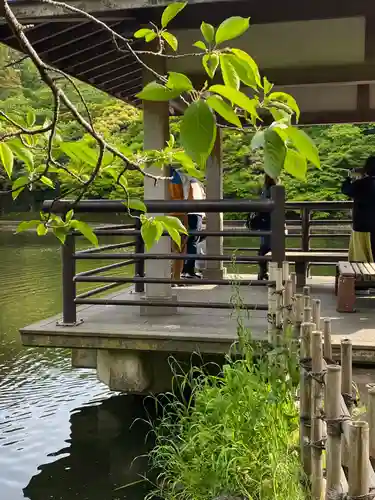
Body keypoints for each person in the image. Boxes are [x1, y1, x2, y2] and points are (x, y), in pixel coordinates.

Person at [168, 169, 205, 281]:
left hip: (182, 212)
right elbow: (194, 196)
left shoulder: (178, 177)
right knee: (190, 242)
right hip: (192, 212)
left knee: (181, 245)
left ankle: (180, 272)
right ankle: (188, 270)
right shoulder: (193, 180)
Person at [341, 156, 375, 262]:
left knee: (361, 261)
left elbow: (346, 189)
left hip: (362, 227)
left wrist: (348, 177)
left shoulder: (361, 184)